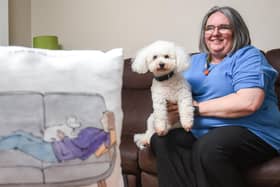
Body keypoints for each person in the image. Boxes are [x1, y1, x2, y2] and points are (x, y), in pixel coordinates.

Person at [150, 6, 280, 187]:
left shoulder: (248, 56)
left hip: (253, 131)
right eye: (209, 28)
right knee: (162, 140)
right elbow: (173, 96)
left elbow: (249, 102)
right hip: (203, 131)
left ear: (237, 31)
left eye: (223, 27)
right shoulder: (192, 61)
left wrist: (195, 108)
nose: (215, 33)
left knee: (209, 147)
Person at [0, 112, 116, 163]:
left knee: (19, 140)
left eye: (104, 118)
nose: (101, 119)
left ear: (109, 122)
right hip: (53, 145)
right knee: (22, 134)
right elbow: (76, 141)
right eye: (103, 117)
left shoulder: (101, 136)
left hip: (54, 153)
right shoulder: (94, 131)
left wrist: (64, 138)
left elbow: (80, 152)